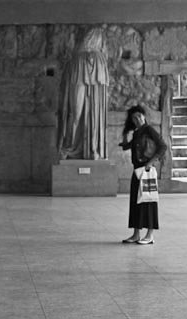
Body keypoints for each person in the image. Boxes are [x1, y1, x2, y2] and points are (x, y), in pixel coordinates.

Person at [57, 28, 109, 160]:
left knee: (94, 114)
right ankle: (69, 147)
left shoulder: (99, 58)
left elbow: (102, 85)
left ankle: (93, 148)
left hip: (94, 83)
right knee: (75, 114)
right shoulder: (76, 59)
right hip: (78, 77)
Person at [119, 105, 167, 244]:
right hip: (137, 170)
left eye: (139, 116)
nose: (137, 119)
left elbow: (162, 146)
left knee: (149, 200)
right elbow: (126, 146)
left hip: (147, 170)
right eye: (134, 118)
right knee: (136, 201)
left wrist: (151, 162)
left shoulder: (149, 130)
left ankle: (150, 234)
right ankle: (136, 234)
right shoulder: (136, 132)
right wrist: (125, 132)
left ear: (144, 116)